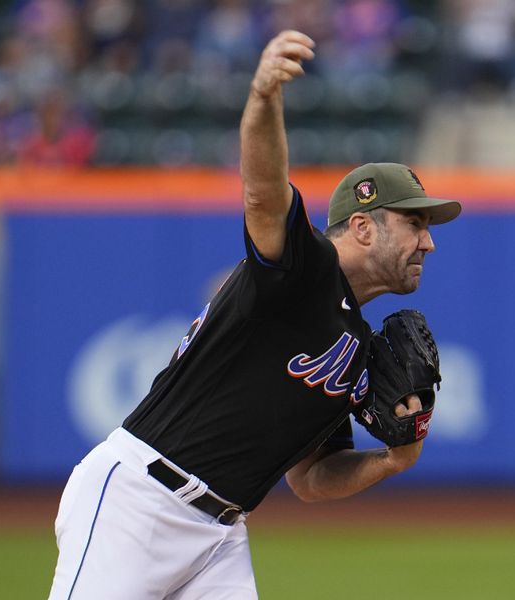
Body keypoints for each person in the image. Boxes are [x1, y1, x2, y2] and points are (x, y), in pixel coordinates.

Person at [47, 30, 461, 600]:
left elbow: (312, 480)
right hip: (139, 501)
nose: (428, 243)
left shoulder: (359, 347)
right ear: (363, 226)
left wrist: (391, 462)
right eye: (415, 225)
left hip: (220, 535)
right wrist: (264, 96)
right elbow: (263, 195)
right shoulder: (302, 268)